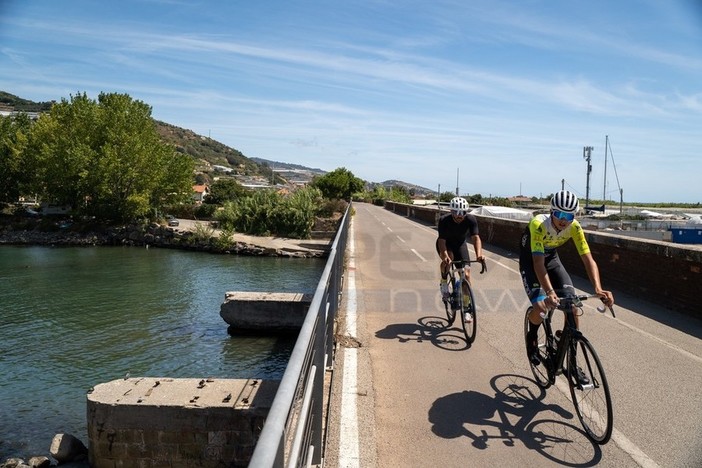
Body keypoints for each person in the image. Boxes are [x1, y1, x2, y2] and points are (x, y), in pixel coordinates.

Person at [520, 190, 614, 383]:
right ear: (552, 211)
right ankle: (532, 335)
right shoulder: (538, 224)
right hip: (531, 260)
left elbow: (588, 259)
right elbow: (538, 264)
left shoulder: (575, 228)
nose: (564, 221)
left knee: (572, 305)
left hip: (552, 258)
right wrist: (550, 292)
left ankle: (571, 361)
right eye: (560, 215)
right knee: (541, 306)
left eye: (569, 216)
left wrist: (598, 288)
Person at [436, 196, 485, 323]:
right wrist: (445, 255)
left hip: (460, 244)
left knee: (466, 274)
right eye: (455, 212)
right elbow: (441, 241)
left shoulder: (471, 219)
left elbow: (476, 238)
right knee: (449, 258)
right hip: (446, 244)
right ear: (451, 211)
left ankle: (467, 309)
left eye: (462, 213)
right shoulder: (444, 220)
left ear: (466, 212)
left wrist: (479, 255)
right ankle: (443, 282)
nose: (459, 216)